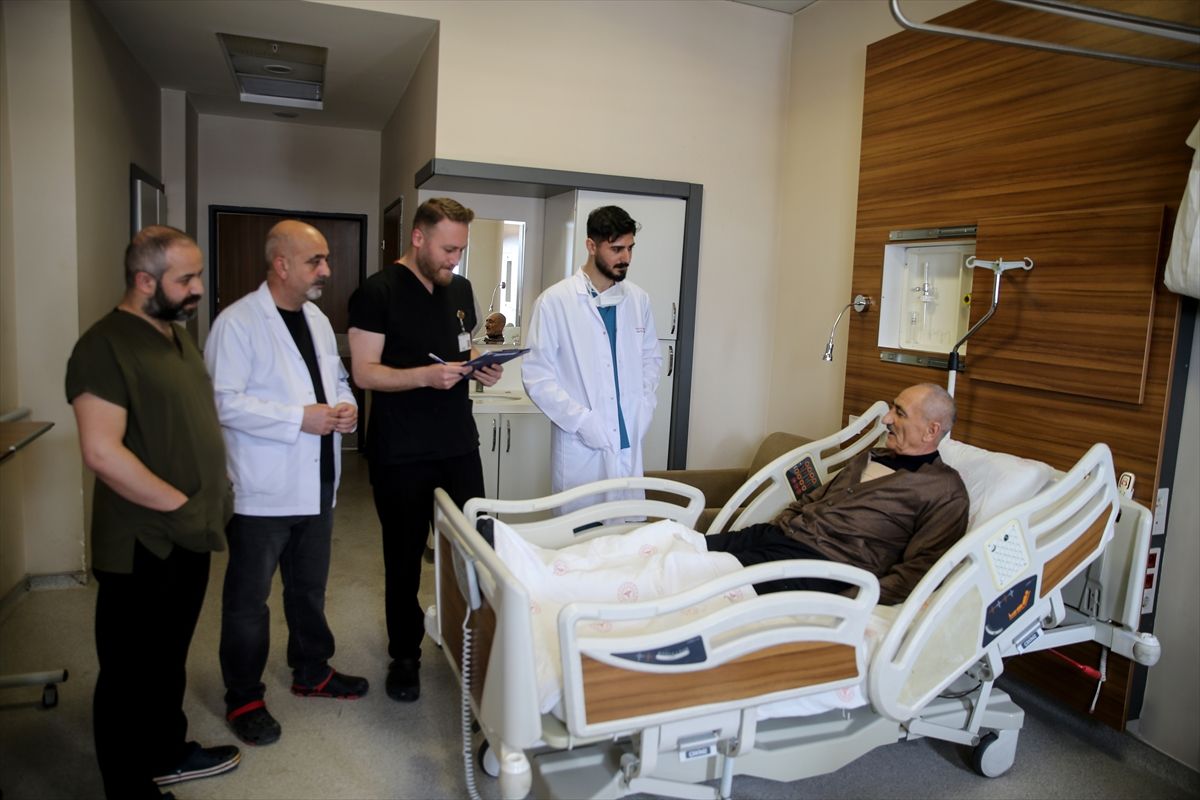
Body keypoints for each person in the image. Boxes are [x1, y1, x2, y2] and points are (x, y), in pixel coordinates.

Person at [65, 226, 240, 798]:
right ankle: (128, 786)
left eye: (198, 275)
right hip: (143, 539)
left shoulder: (175, 336)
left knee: (168, 657)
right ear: (144, 281)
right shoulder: (103, 346)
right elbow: (101, 451)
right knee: (128, 672)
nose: (198, 289)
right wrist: (181, 505)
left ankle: (166, 750)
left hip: (188, 532)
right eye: (186, 279)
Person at [204, 220, 367, 747]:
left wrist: (346, 407)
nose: (327, 270)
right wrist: (299, 418)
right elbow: (223, 403)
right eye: (315, 261)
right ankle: (244, 697)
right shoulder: (237, 323)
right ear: (281, 264)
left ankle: (311, 670)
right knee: (248, 601)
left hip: (317, 480)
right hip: (263, 489)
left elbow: (335, 381)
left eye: (325, 259)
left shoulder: (316, 318)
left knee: (308, 588)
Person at [347, 197, 502, 703]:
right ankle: (405, 656)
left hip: (457, 443)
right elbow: (365, 372)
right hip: (402, 450)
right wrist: (425, 377)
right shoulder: (377, 293)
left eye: (460, 249)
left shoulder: (460, 288)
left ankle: (473, 640)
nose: (454, 259)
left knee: (476, 548)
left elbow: (461, 345)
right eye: (447, 249)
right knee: (403, 558)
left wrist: (480, 365)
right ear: (418, 237)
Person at [705, 383, 969, 605]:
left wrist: (849, 600)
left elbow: (918, 572)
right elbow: (813, 497)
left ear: (931, 431)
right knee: (692, 547)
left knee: (704, 586)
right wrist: (784, 522)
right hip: (778, 535)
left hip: (821, 564)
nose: (886, 419)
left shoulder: (944, 491)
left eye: (899, 413)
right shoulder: (871, 456)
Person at [522, 205, 662, 514]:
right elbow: (537, 377)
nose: (626, 257)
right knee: (580, 532)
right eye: (616, 249)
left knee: (625, 531)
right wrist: (582, 422)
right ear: (591, 245)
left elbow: (651, 359)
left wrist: (644, 406)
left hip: (627, 440)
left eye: (630, 248)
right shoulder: (555, 302)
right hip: (581, 445)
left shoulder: (638, 300)